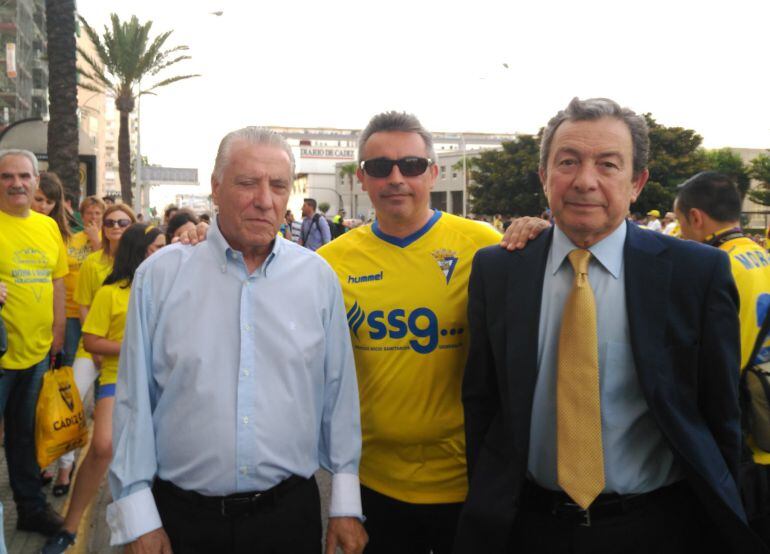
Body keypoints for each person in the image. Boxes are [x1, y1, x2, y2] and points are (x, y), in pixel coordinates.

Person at [456, 98, 765, 553]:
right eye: (568, 162)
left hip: (657, 527)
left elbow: (719, 411)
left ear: (636, 182)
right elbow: (483, 401)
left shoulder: (696, 274)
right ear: (544, 177)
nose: (585, 181)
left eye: (608, 164)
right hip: (529, 527)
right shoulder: (499, 271)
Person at [106, 127, 367, 554]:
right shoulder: (160, 277)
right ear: (216, 187)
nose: (264, 199)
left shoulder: (317, 278)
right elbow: (135, 402)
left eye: (278, 185)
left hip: (288, 519)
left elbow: (338, 395)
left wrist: (345, 504)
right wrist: (139, 519)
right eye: (247, 183)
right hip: (182, 521)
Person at [318, 111, 501, 554]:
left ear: (433, 173)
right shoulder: (328, 263)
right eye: (380, 167)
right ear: (362, 178)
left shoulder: (485, 245)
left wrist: (536, 230)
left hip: (469, 479)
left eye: (412, 165)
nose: (396, 178)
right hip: (376, 483)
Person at [43, 224, 165, 553]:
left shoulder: (172, 289)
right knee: (102, 446)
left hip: (163, 387)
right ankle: (69, 527)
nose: (164, 252)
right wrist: (135, 345)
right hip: (117, 378)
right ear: (139, 251)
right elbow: (91, 340)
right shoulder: (111, 292)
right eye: (157, 247)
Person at [0, 149, 66, 535]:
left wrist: (58, 333)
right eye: (7, 177)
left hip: (37, 352)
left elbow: (56, 280)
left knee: (25, 437)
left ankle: (31, 509)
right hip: (1, 354)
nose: (16, 184)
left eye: (23, 176)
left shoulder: (46, 227)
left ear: (36, 182)